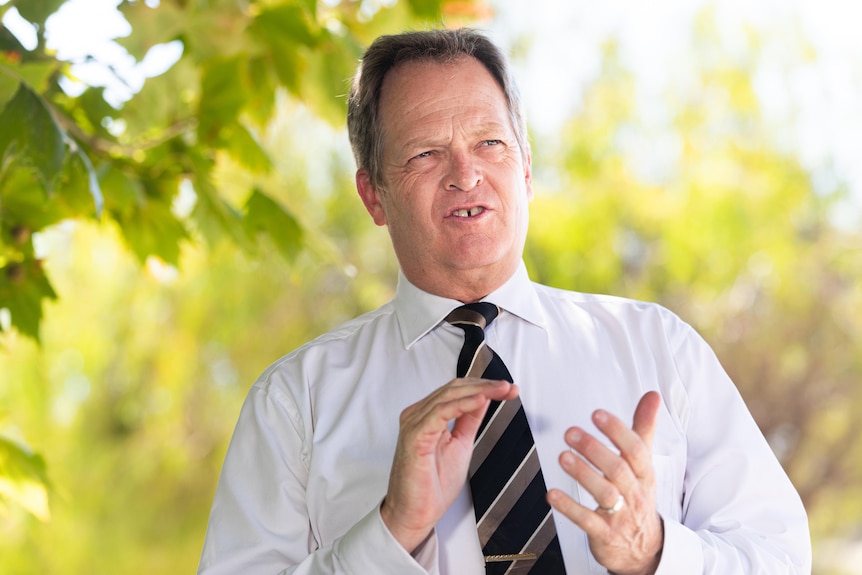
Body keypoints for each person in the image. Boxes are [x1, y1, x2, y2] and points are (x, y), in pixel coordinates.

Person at [197, 28, 811, 574]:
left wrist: (656, 554)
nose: (466, 174)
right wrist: (389, 535)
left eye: (491, 143)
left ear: (527, 171)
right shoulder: (295, 402)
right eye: (424, 154)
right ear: (374, 196)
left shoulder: (659, 349)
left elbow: (780, 558)